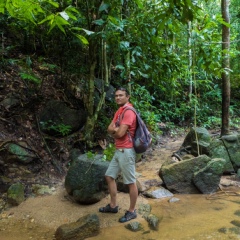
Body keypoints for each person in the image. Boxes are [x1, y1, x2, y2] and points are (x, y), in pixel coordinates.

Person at [99, 87, 138, 223]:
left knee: (130, 182)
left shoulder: (129, 112)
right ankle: (113, 206)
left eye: (121, 95)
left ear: (127, 97)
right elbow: (109, 128)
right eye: (116, 96)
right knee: (109, 176)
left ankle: (132, 211)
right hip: (118, 150)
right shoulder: (119, 111)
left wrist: (115, 130)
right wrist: (116, 129)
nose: (118, 98)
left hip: (127, 150)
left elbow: (120, 133)